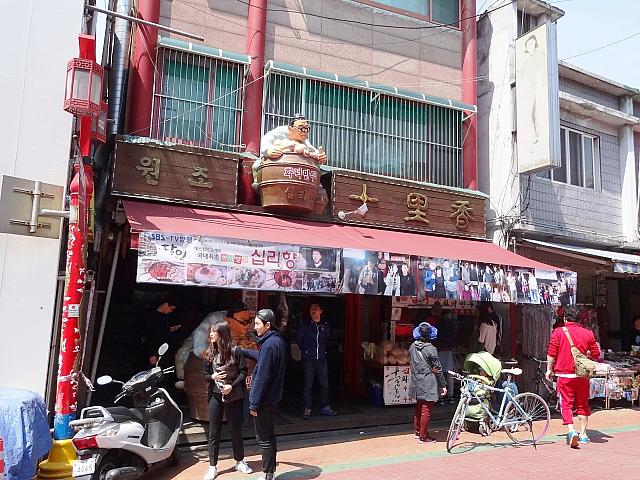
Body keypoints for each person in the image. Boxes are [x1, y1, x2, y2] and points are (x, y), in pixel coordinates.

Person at [202, 322, 252, 480]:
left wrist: (232, 386)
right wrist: (212, 376)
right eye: (210, 331)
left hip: (233, 395)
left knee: (235, 429)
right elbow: (204, 374)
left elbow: (243, 372)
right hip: (215, 396)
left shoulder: (236, 351)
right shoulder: (209, 353)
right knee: (213, 432)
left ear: (222, 334)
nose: (211, 334)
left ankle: (240, 461)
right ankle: (212, 466)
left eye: (214, 331)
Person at [546, 307, 600, 447]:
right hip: (582, 374)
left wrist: (549, 369)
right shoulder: (588, 333)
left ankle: (571, 430)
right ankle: (584, 434)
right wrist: (586, 354)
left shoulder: (558, 332)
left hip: (564, 374)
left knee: (566, 403)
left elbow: (551, 353)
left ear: (565, 319)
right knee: (583, 403)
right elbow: (596, 354)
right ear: (579, 320)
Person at [242, 309, 286, 480]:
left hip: (264, 400)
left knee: (264, 438)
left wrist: (253, 404)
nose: (254, 327)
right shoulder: (277, 340)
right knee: (269, 435)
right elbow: (262, 357)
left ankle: (268, 474)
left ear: (268, 325)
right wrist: (243, 351)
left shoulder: (268, 345)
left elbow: (262, 377)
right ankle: (270, 471)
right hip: (273, 398)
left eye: (258, 324)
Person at [296, 303, 338, 419]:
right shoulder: (306, 325)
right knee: (308, 384)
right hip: (309, 359)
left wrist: (323, 352)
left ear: (321, 311)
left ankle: (325, 406)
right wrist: (306, 351)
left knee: (324, 383)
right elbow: (299, 340)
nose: (314, 311)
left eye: (316, 309)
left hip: (322, 359)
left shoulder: (325, 325)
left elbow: (327, 340)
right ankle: (307, 407)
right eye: (312, 309)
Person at [409, 322, 447, 443]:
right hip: (427, 380)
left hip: (416, 379)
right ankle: (423, 436)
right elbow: (438, 368)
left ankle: (418, 431)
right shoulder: (431, 349)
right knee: (426, 409)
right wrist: (443, 385)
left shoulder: (413, 346)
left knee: (419, 406)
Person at [144, 293, 181, 367]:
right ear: (166, 304)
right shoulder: (152, 316)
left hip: (165, 350)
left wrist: (171, 330)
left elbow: (162, 332)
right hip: (155, 351)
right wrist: (152, 354)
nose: (171, 311)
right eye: (171, 308)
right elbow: (148, 335)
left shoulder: (165, 317)